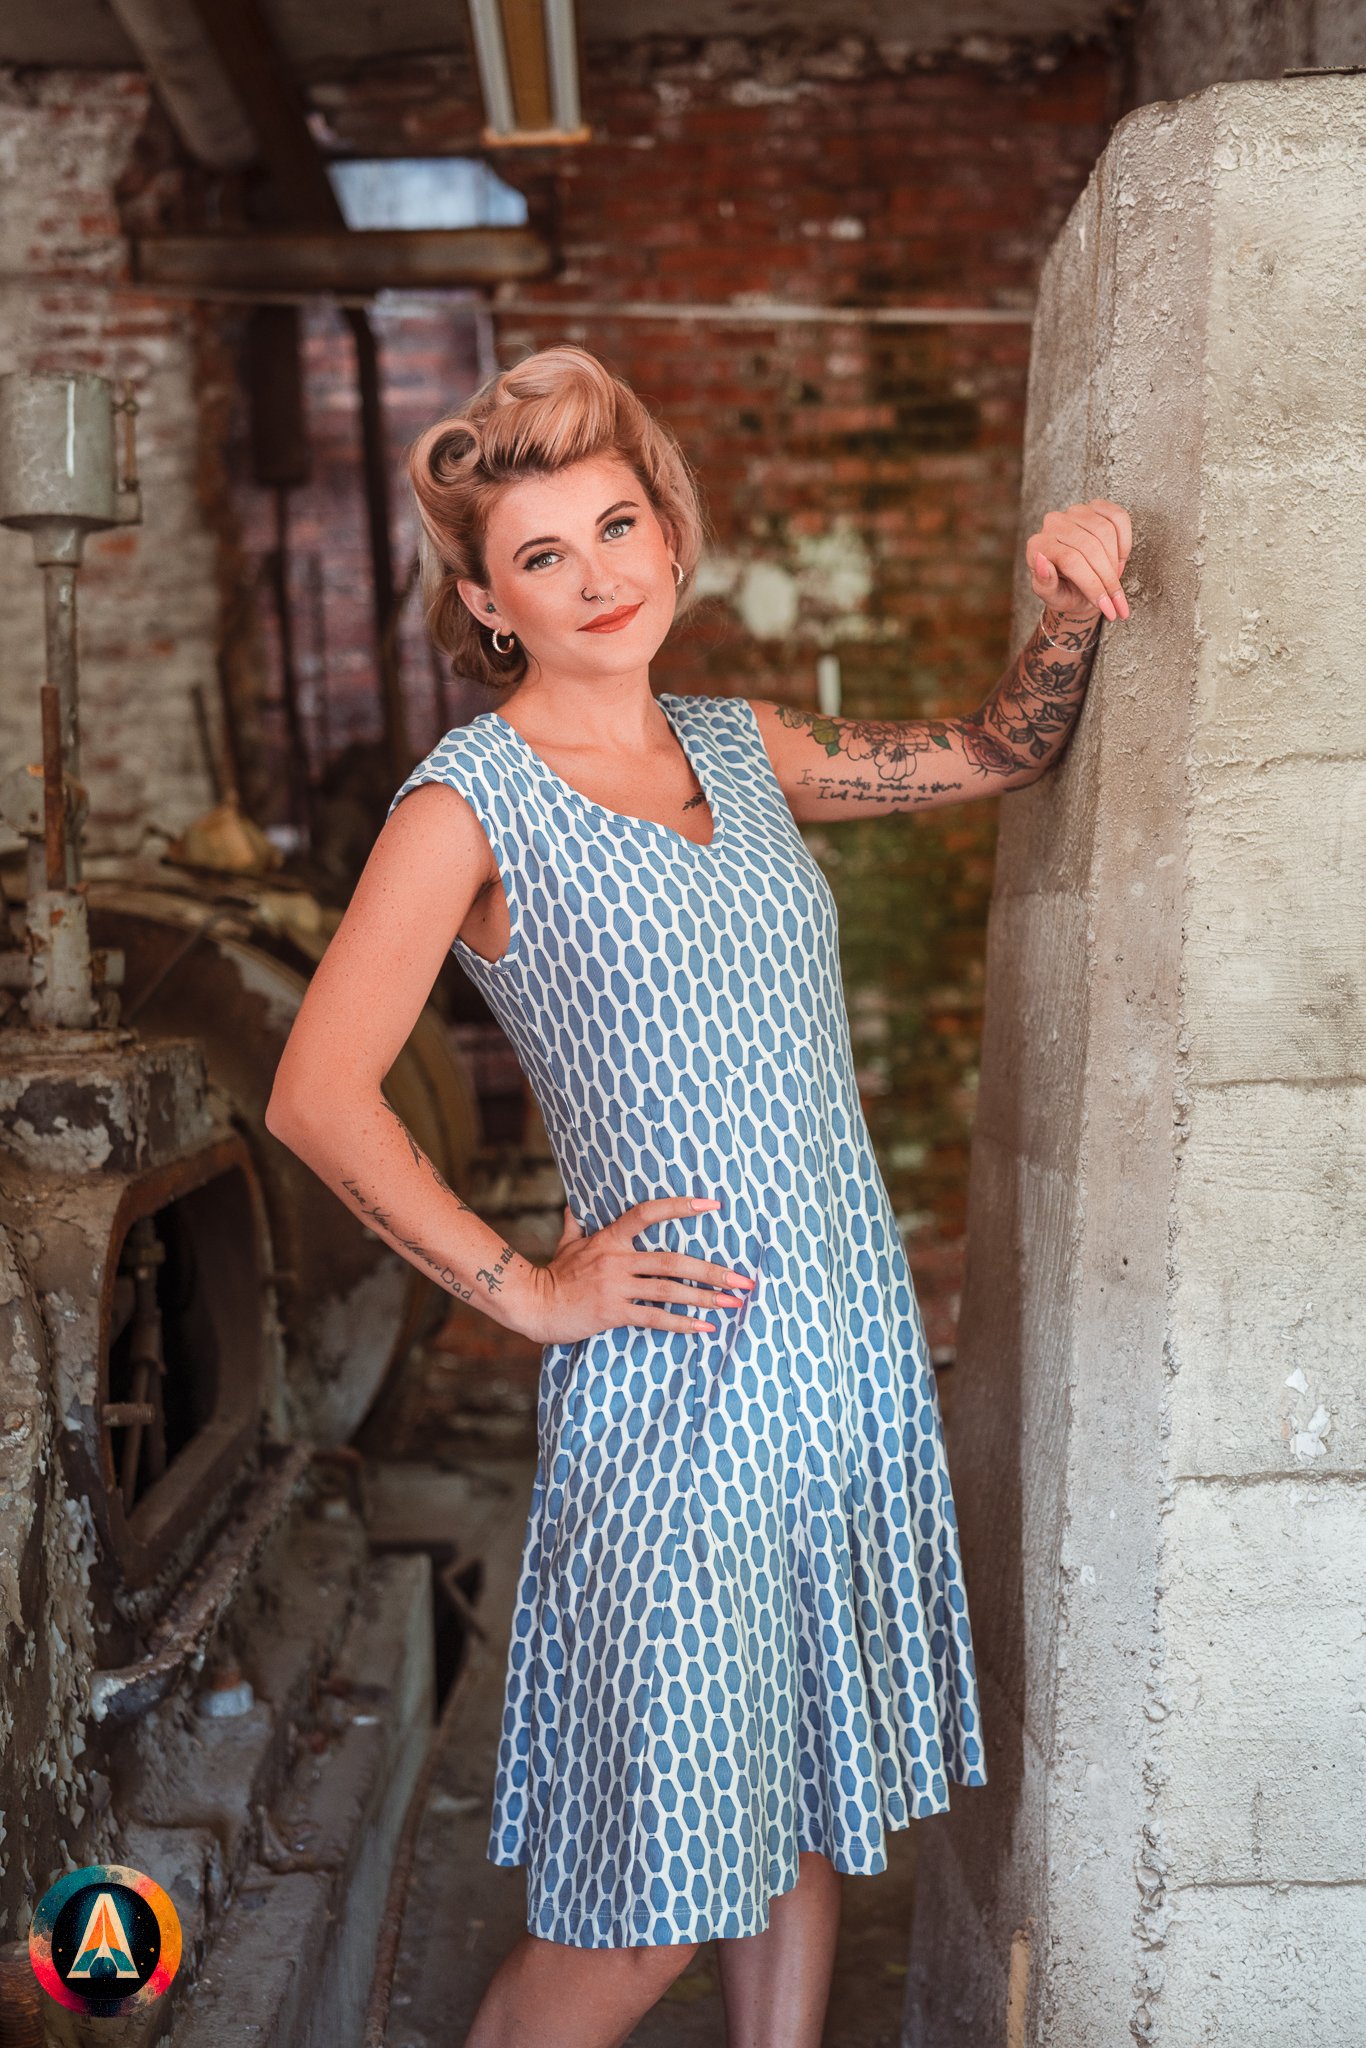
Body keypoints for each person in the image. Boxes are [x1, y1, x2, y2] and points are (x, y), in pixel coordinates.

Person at [265, 344, 1131, 2048]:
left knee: (798, 1802)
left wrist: (1071, 582)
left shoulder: (746, 749)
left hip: (841, 1363)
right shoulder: (469, 803)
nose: (598, 576)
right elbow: (312, 1095)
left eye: (617, 524)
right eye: (542, 556)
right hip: (678, 1393)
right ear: (484, 599)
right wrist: (523, 1291)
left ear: (668, 529)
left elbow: (995, 752)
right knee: (656, 1891)